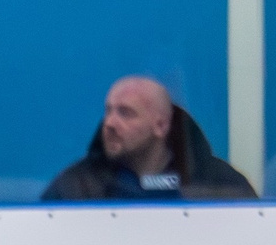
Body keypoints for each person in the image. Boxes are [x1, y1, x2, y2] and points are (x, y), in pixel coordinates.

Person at [41, 76, 255, 201]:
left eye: (125, 113)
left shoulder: (220, 184)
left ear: (160, 126)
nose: (109, 123)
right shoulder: (76, 187)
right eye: (108, 111)